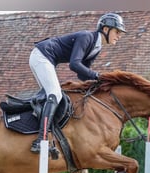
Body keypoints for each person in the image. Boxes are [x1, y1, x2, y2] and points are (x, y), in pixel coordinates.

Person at [29, 12, 126, 153]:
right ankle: (40, 140)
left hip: (45, 59)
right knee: (55, 95)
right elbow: (74, 64)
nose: (119, 36)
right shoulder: (87, 37)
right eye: (117, 31)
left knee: (50, 96)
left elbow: (82, 74)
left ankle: (38, 131)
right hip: (42, 56)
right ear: (105, 29)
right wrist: (98, 76)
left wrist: (98, 84)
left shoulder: (96, 47)